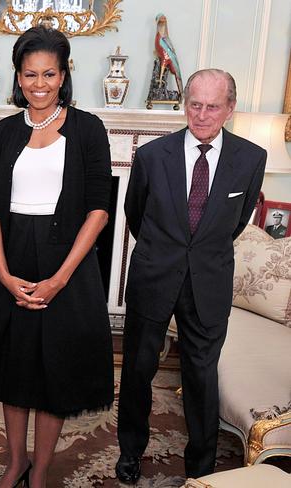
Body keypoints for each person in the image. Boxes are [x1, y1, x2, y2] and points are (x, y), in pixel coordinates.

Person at [0, 26, 114, 488]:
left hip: (67, 263)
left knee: (55, 375)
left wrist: (61, 279)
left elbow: (99, 209)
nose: (40, 83)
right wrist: (3, 275)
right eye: (30, 74)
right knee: (15, 369)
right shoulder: (3, 132)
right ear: (18, 76)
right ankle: (16, 462)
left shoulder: (89, 129)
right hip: (13, 260)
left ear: (64, 74)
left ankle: (42, 468)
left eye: (50, 73)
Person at [115, 69, 267, 483]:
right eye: (194, 104)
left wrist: (198, 252)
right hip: (153, 276)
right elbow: (136, 215)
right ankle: (130, 451)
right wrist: (166, 251)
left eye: (212, 106)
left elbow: (235, 223)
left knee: (202, 376)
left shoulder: (252, 159)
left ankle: (200, 466)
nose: (201, 115)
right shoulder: (151, 155)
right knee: (138, 369)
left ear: (230, 109)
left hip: (209, 281)